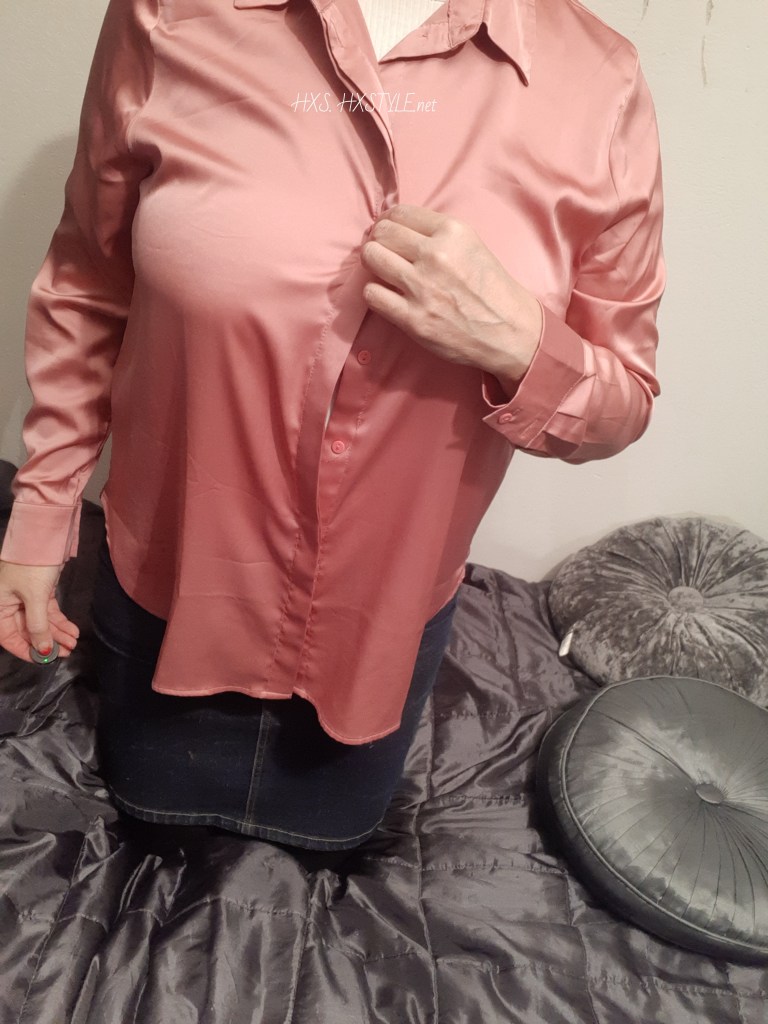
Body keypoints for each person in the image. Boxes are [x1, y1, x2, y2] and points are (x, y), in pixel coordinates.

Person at [0, 0, 665, 851]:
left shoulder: (599, 85)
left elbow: (622, 403)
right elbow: (89, 283)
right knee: (149, 822)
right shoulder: (170, 15)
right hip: (166, 599)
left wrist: (521, 345)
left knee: (328, 843)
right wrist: (43, 508)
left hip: (379, 641)